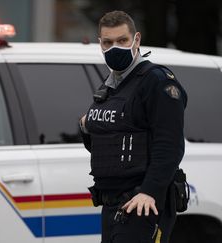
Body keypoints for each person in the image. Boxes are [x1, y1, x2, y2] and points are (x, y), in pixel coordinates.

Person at [79, 10, 187, 243]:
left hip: (142, 202)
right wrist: (86, 126)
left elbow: (169, 145)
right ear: (100, 44)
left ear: (136, 40)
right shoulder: (108, 88)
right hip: (112, 203)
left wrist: (149, 192)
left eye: (122, 41)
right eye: (108, 42)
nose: (114, 47)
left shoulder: (156, 82)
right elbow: (109, 143)